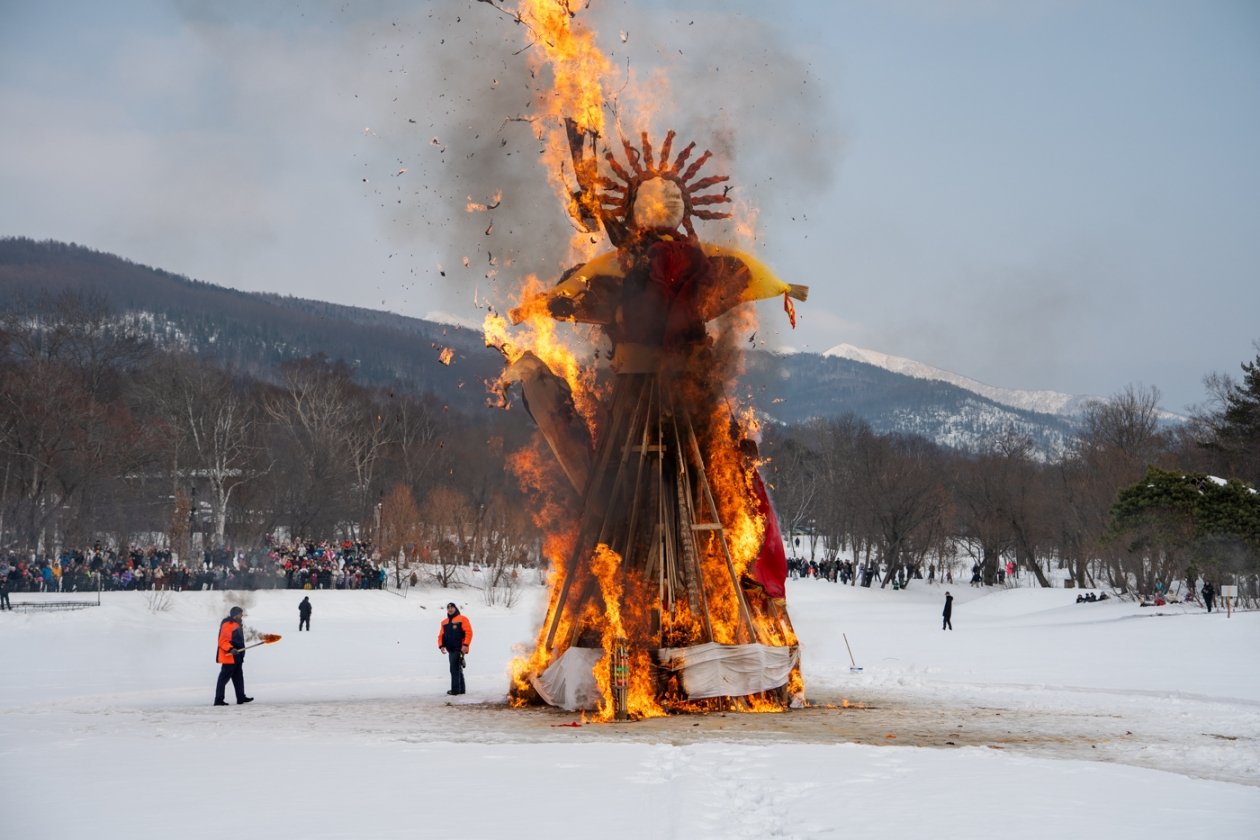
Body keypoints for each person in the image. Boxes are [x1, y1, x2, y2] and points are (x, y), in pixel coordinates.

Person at [214, 606, 253, 706]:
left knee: (238, 678)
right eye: (240, 614)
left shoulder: (236, 624)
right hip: (230, 657)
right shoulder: (228, 624)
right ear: (235, 615)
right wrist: (231, 649)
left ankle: (241, 697)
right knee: (223, 679)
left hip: (237, 657)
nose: (242, 616)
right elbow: (223, 641)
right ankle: (218, 700)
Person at [438, 602, 473, 696]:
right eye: (448, 608)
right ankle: (461, 690)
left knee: (454, 669)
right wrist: (441, 646)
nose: (450, 609)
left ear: (455, 608)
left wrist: (465, 645)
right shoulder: (444, 622)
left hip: (459, 648)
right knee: (458, 668)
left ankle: (455, 690)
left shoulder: (462, 619)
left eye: (452, 607)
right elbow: (441, 636)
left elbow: (469, 632)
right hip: (450, 648)